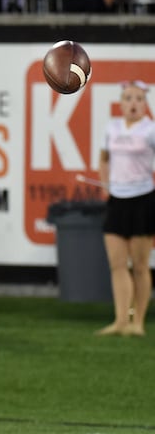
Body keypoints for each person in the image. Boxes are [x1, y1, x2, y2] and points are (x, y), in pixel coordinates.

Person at [95, 80, 155, 337]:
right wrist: (105, 184)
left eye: (139, 99)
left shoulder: (150, 130)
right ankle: (120, 320)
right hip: (117, 200)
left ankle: (137, 322)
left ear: (145, 104)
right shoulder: (112, 127)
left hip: (142, 199)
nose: (133, 104)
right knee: (117, 264)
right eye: (129, 98)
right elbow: (104, 158)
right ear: (121, 103)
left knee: (140, 265)